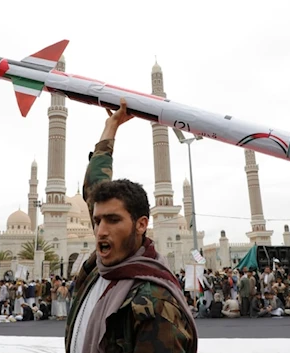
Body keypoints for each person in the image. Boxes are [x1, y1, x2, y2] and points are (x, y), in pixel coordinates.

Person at [64, 98, 198, 353]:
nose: (101, 231)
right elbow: (94, 186)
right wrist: (111, 125)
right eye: (97, 220)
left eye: (113, 220)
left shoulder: (155, 304)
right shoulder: (98, 270)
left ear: (141, 225)